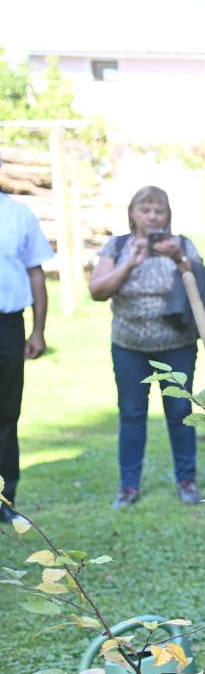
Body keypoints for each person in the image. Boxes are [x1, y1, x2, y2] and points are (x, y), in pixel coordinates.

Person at [89, 186, 205, 509]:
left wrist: (179, 259)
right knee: (132, 413)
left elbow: (202, 285)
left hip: (177, 344)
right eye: (146, 210)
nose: (153, 217)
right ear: (133, 214)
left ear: (168, 215)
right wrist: (129, 263)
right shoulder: (118, 246)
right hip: (129, 346)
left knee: (180, 412)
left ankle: (186, 481)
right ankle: (128, 487)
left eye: (159, 211)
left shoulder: (183, 245)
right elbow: (97, 291)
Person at [0, 173, 53, 524]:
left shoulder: (18, 214)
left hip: (8, 325)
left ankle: (6, 500)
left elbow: (36, 273)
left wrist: (38, 330)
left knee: (6, 413)